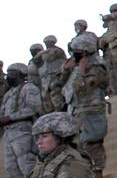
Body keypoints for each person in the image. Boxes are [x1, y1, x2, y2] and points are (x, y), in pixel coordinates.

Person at [63, 32, 108, 177]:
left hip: (91, 113)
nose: (74, 55)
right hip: (76, 113)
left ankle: (98, 173)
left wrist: (81, 70)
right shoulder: (76, 69)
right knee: (79, 149)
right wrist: (66, 69)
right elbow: (62, 88)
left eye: (78, 52)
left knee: (92, 145)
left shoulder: (97, 69)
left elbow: (80, 89)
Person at [2, 63, 42, 178]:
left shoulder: (29, 88)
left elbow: (33, 109)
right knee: (11, 168)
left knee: (27, 166)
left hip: (23, 132)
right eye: (8, 73)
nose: (8, 76)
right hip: (9, 133)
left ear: (20, 75)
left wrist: (9, 118)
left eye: (12, 73)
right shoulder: (9, 93)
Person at [30, 111, 92, 178]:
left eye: (44, 136)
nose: (38, 142)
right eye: (37, 137)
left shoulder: (73, 163)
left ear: (61, 137)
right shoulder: (47, 158)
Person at [37, 36, 67, 113]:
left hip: (56, 77)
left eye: (48, 42)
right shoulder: (45, 52)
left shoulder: (57, 50)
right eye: (46, 43)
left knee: (57, 97)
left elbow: (48, 58)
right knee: (46, 100)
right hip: (46, 79)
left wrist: (41, 53)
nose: (47, 44)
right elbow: (35, 60)